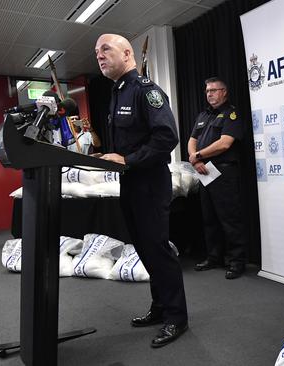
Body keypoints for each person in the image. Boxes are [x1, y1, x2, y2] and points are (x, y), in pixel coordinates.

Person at [95, 33, 188, 348]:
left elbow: (167, 137)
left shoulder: (145, 91)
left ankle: (177, 317)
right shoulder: (117, 92)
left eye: (105, 49)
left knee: (158, 249)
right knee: (145, 249)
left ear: (126, 52)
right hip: (130, 183)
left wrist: (127, 159)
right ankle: (160, 307)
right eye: (97, 52)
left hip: (150, 183)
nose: (100, 55)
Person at [188, 77, 248, 280]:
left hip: (224, 172)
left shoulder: (231, 114)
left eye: (214, 90)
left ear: (224, 92)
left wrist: (198, 156)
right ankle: (214, 257)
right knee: (209, 218)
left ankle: (236, 261)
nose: (210, 94)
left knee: (230, 219)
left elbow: (224, 144)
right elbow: (192, 140)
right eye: (207, 91)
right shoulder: (203, 115)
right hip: (204, 172)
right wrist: (195, 160)